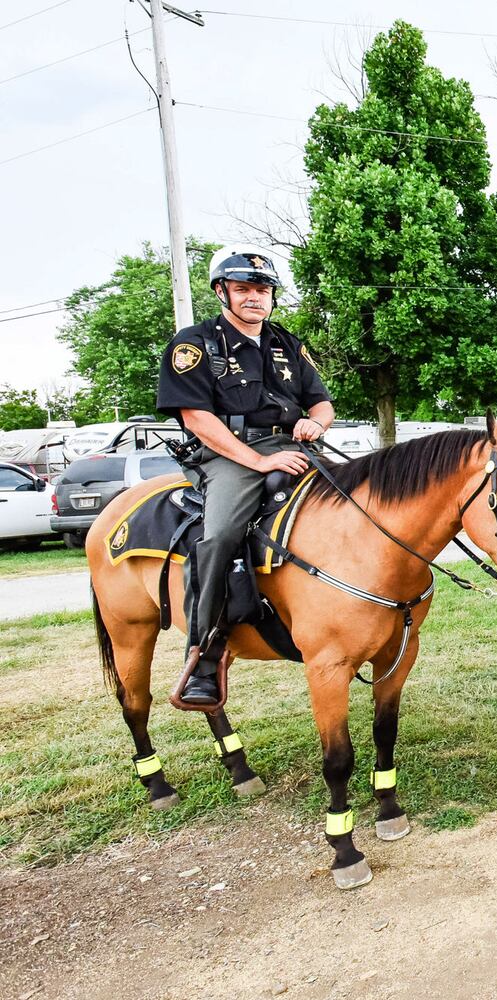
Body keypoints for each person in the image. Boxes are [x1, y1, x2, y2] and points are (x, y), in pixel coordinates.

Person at [156, 246, 334, 704]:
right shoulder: (196, 344)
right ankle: (204, 653)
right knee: (219, 535)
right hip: (230, 455)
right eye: (244, 289)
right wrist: (259, 462)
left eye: (263, 289)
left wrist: (317, 422)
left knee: (358, 501)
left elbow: (322, 401)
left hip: (294, 448)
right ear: (222, 292)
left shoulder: (287, 344)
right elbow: (197, 418)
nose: (255, 297)